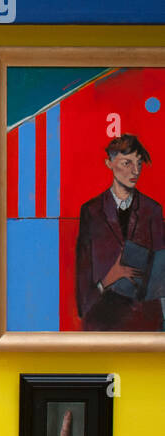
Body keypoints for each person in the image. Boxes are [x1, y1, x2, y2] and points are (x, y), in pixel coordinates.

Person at [75, 134, 165, 332]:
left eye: (139, 164)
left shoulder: (153, 210)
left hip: (145, 323)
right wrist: (109, 278)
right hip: (102, 321)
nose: (135, 171)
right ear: (109, 163)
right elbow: (83, 279)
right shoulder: (91, 211)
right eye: (127, 163)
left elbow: (161, 272)